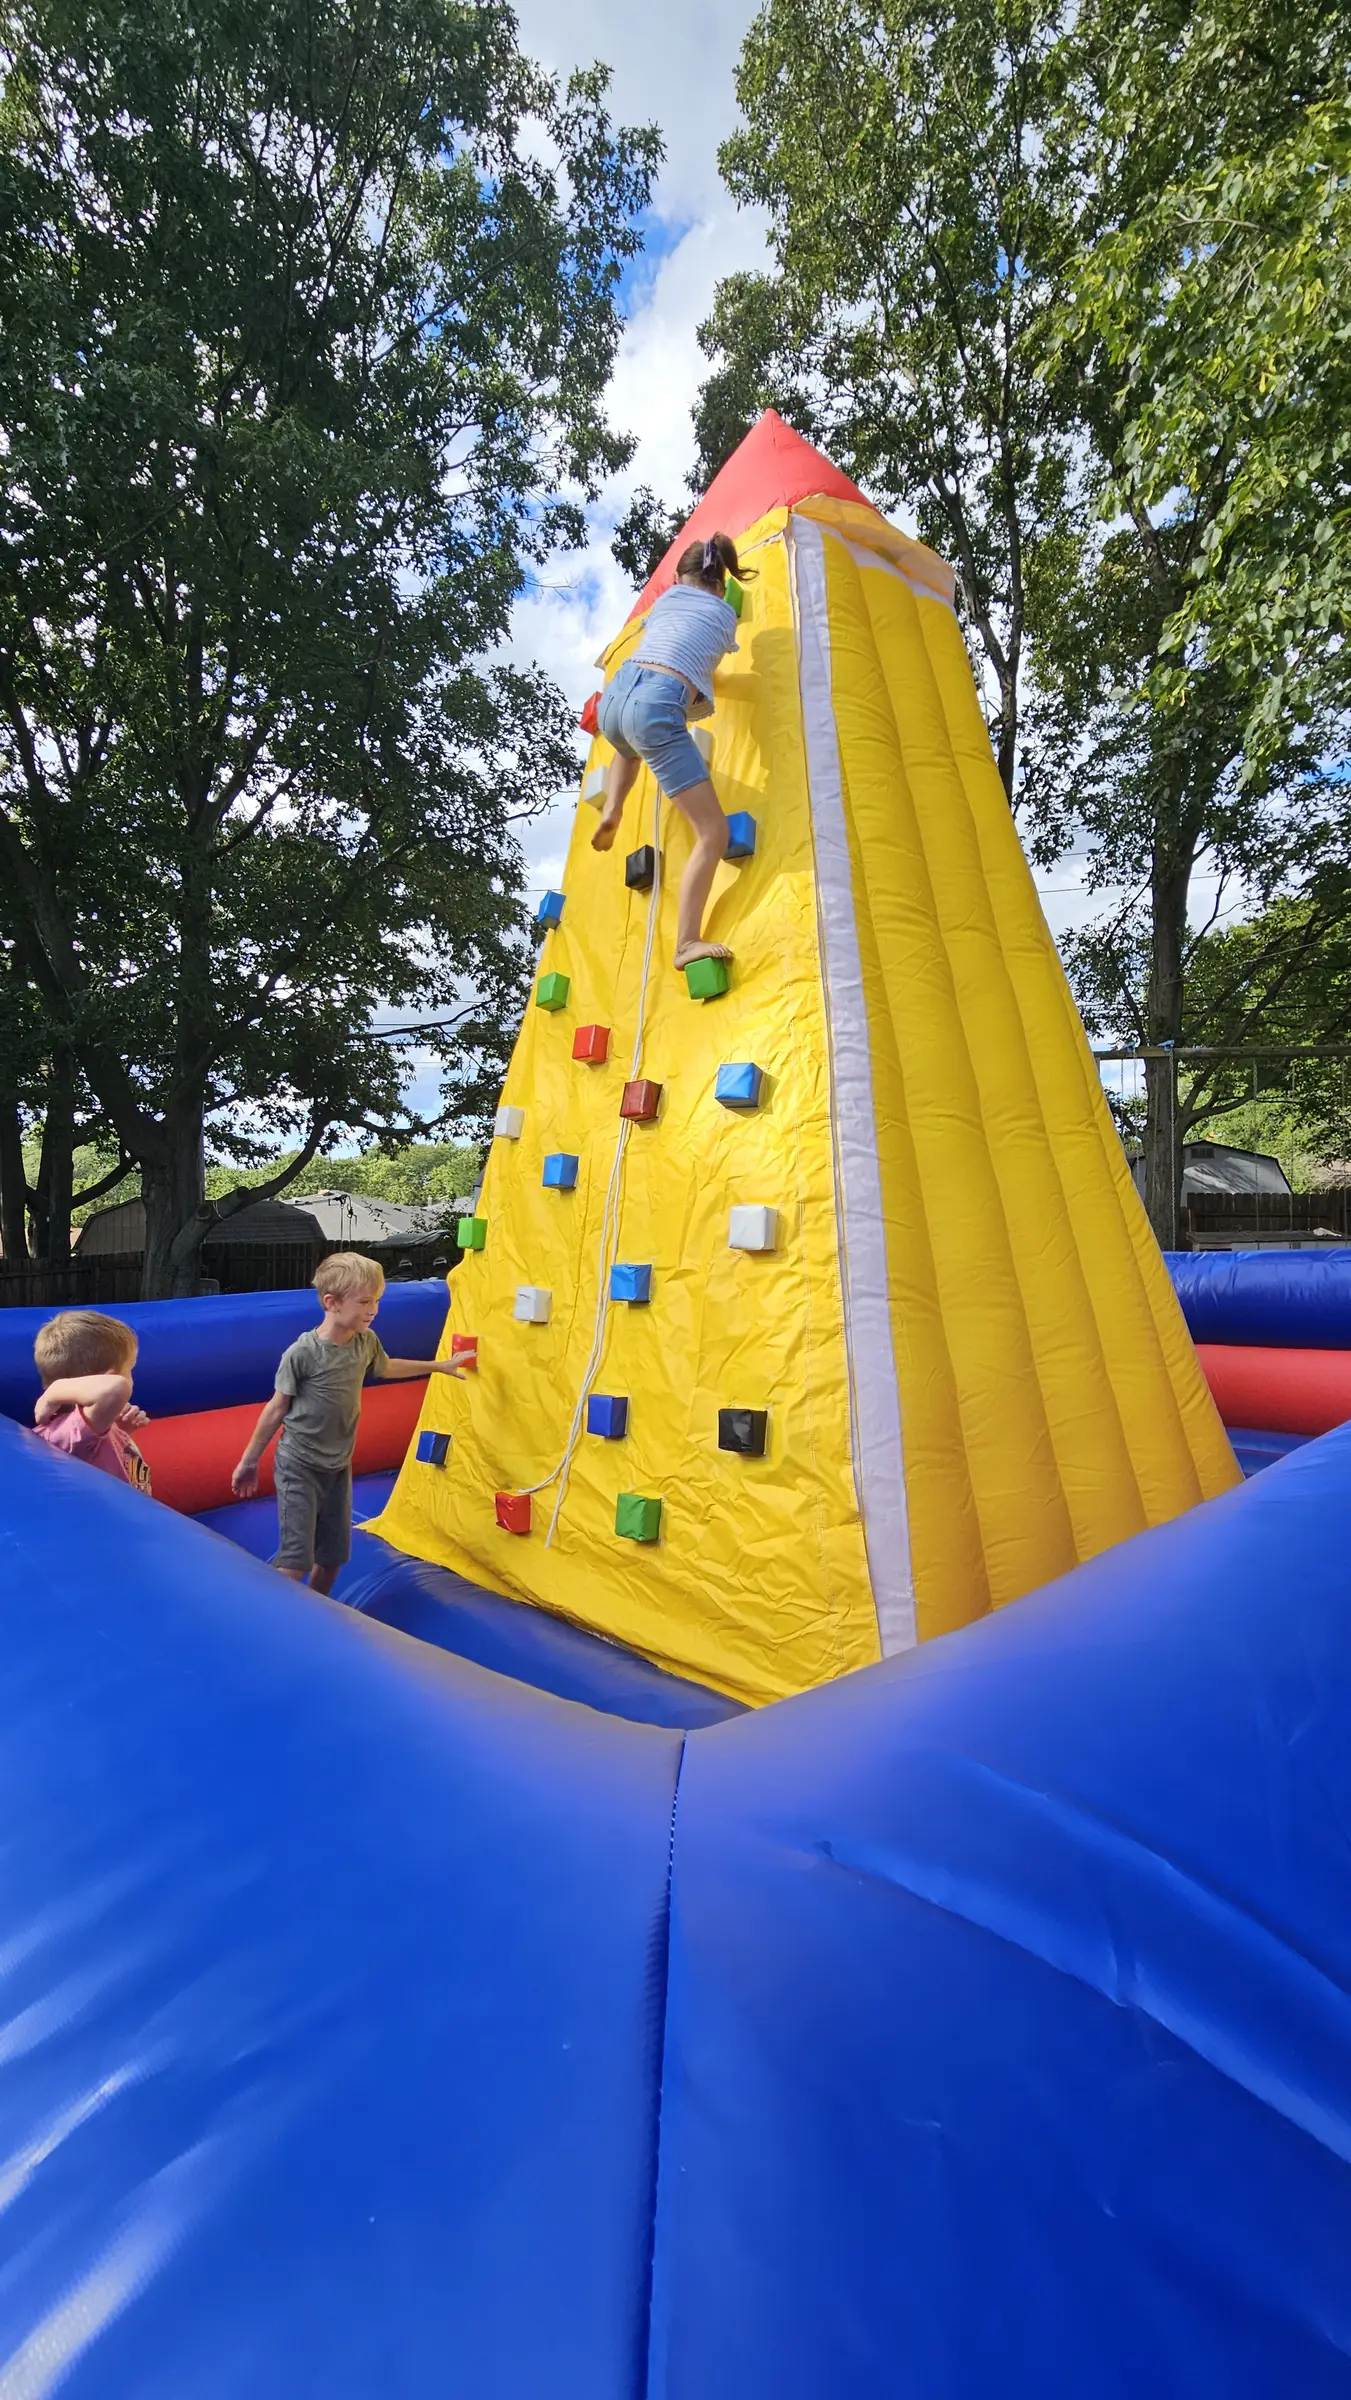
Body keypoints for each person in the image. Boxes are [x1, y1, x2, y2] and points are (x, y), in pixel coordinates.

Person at [230, 1251, 464, 1596]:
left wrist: (439, 1366)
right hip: (299, 1464)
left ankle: (316, 1613)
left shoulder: (365, 1342)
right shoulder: (303, 1353)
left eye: (378, 1301)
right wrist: (249, 1462)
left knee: (332, 1559)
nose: (374, 1309)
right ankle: (257, 1610)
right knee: (296, 1562)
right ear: (332, 1302)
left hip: (337, 1466)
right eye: (365, 1301)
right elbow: (276, 1408)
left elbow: (386, 1367)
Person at [592, 531, 756, 970]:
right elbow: (702, 668)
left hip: (616, 695)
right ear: (720, 586)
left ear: (679, 579)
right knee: (713, 832)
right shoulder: (723, 615)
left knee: (628, 744)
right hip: (657, 701)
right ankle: (686, 943)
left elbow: (671, 642)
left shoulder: (663, 603)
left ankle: (612, 806)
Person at [32, 1309, 152, 1492]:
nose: (131, 1378)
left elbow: (98, 1453)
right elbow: (116, 1388)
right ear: (110, 1377)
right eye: (130, 1369)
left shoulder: (90, 1428)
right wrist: (54, 1392)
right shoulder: (64, 1434)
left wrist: (120, 1430)